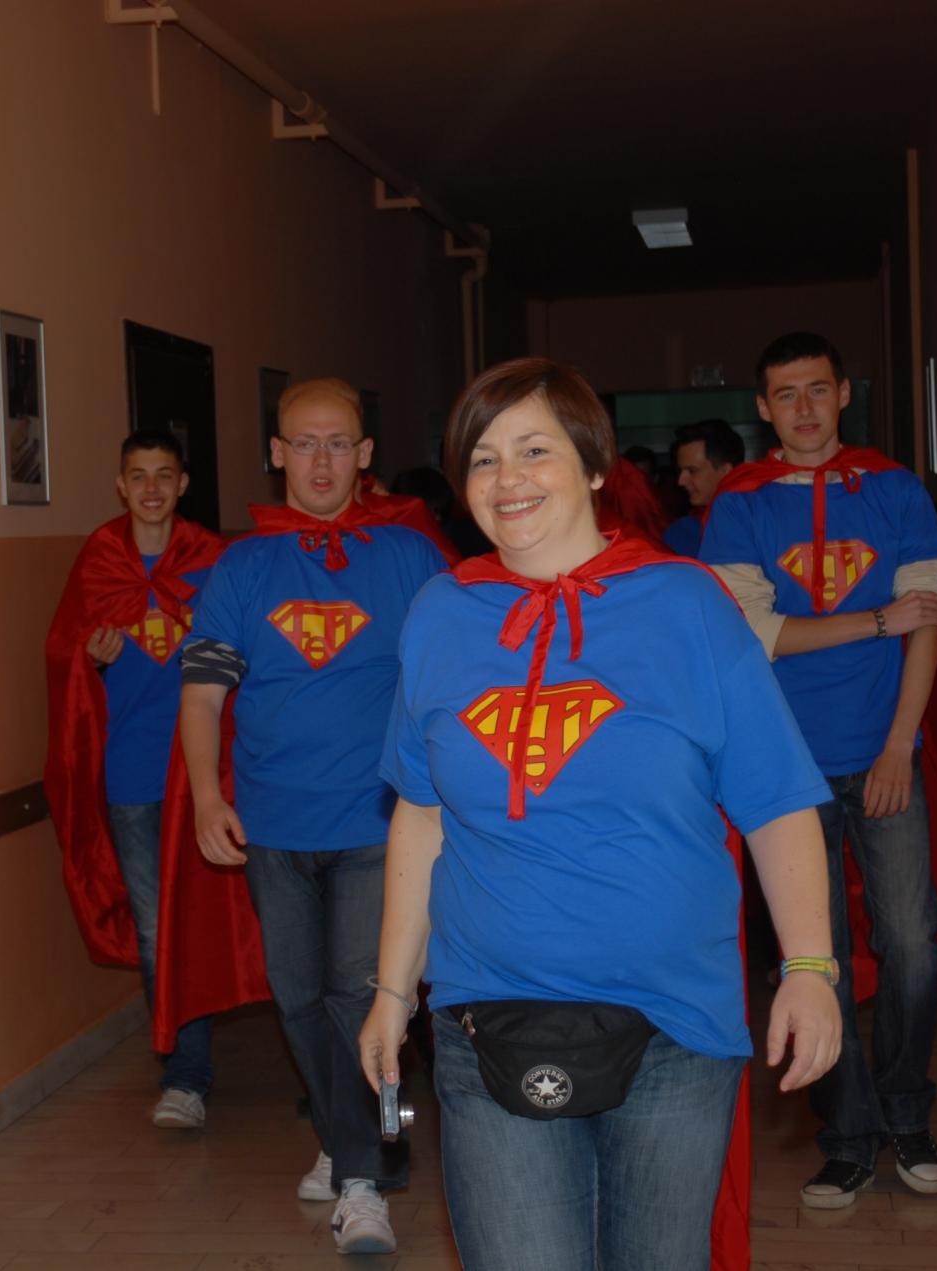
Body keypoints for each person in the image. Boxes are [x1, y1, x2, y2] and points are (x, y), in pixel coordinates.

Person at [358, 357, 842, 1270]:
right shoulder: (439, 614)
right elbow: (421, 817)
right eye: (483, 459)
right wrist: (389, 992)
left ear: (591, 465)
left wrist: (811, 967)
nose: (507, 479)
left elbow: (777, 802)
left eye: (533, 450)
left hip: (672, 1029)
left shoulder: (687, 603)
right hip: (485, 1016)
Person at [178, 376, 445, 1255]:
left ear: (364, 454)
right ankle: (346, 1136)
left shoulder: (410, 556)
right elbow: (203, 693)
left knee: (356, 994)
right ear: (277, 453)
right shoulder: (241, 566)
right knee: (295, 996)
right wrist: (209, 794)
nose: (321, 461)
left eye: (338, 444)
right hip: (273, 823)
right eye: (304, 443)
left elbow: (454, 675)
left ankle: (363, 1179)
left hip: (380, 821)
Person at [699, 331, 937, 1209]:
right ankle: (845, 1137)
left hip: (885, 753)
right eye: (785, 393)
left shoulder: (895, 489)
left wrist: (899, 744)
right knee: (820, 956)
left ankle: (906, 1114)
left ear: (844, 393)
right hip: (784, 770)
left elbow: (929, 622)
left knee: (912, 944)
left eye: (817, 389)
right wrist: (876, 619)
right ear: (762, 408)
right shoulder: (739, 504)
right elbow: (755, 635)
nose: (803, 408)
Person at [44, 430, 224, 1128]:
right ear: (121, 485)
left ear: (183, 484)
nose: (152, 488)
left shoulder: (212, 559)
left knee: (213, 919)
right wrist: (89, 659)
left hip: (205, 776)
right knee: (155, 926)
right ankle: (185, 1074)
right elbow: (62, 655)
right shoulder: (99, 559)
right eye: (138, 475)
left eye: (164, 474)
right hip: (131, 776)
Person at [665, 418, 745, 558]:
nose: (681, 481)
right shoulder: (684, 532)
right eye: (680, 471)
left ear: (726, 472)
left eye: (692, 471)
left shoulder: (761, 520)